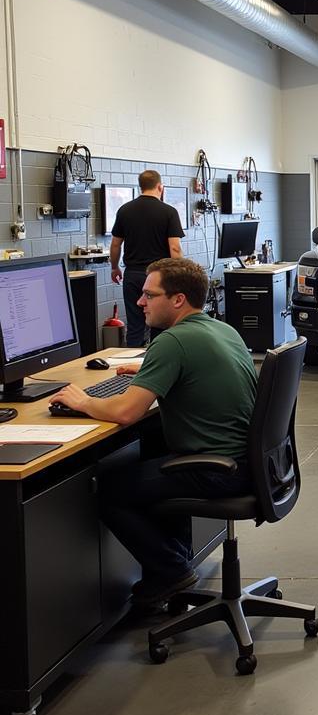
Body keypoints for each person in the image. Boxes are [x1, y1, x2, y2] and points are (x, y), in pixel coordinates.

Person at [50, 258, 258, 606]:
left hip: (216, 471)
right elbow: (193, 367)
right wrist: (152, 368)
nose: (140, 302)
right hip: (245, 462)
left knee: (110, 490)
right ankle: (175, 565)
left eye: (149, 294)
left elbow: (127, 412)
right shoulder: (221, 329)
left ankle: (171, 570)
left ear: (178, 300)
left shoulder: (172, 342)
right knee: (151, 456)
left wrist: (83, 400)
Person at [110, 169, 185, 347]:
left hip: (133, 275)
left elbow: (115, 244)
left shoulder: (124, 210)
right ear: (160, 187)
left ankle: (131, 368)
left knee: (135, 325)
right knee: (161, 325)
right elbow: (175, 247)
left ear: (141, 187)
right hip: (159, 277)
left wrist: (114, 267)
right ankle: (159, 364)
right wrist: (181, 276)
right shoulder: (169, 212)